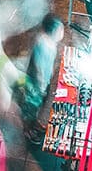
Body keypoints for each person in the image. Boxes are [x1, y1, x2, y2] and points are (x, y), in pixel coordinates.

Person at [18, 15, 64, 143]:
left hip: (42, 84)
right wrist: (41, 87)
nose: (62, 33)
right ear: (53, 32)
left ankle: (35, 122)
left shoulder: (50, 44)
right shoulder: (43, 45)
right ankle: (27, 130)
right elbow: (38, 68)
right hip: (35, 86)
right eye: (61, 30)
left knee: (38, 107)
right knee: (30, 109)